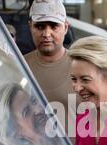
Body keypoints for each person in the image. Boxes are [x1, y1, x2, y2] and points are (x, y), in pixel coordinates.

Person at [24, 0, 77, 131]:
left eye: (54, 26)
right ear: (30, 26)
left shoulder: (82, 67)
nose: (47, 34)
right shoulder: (21, 67)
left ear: (65, 27)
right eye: (40, 27)